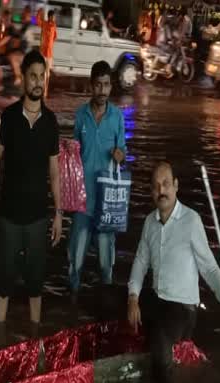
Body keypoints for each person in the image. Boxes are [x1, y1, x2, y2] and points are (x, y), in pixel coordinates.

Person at [127, 162, 220, 382]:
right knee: (109, 298)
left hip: (181, 308)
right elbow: (140, 262)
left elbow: (208, 266)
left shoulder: (191, 221)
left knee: (160, 342)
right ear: (151, 191)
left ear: (176, 186)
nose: (161, 191)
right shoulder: (150, 222)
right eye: (156, 186)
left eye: (166, 184)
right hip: (156, 299)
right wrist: (132, 298)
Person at [0, 50, 62, 327]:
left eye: (42, 77)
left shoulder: (51, 122)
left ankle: (34, 335)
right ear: (23, 79)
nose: (37, 82)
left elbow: (54, 172)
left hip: (38, 217)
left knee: (35, 281)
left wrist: (58, 213)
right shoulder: (7, 118)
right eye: (33, 76)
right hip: (8, 217)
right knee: (5, 280)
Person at [68, 61, 126, 297]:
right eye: (98, 85)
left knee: (105, 263)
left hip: (107, 202)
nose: (102, 90)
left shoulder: (117, 117)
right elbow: (73, 152)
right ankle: (72, 303)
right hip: (82, 199)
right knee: (75, 262)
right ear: (91, 86)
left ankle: (106, 307)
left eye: (106, 85)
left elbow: (122, 151)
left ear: (110, 87)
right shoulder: (81, 115)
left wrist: (120, 155)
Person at [0, 9, 24, 93]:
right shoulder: (7, 28)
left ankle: (17, 78)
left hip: (15, 53)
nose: (2, 19)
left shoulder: (10, 28)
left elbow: (6, 39)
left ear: (6, 18)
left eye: (3, 18)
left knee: (10, 59)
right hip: (9, 53)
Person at [40, 10, 57, 98]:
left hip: (49, 53)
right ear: (50, 16)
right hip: (44, 52)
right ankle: (43, 91)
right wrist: (39, 12)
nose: (55, 18)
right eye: (54, 16)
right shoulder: (45, 23)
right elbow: (36, 20)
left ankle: (45, 91)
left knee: (48, 73)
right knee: (44, 73)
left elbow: (54, 37)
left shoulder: (53, 26)